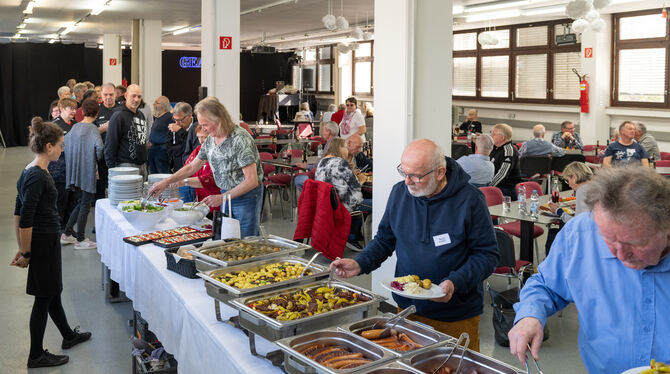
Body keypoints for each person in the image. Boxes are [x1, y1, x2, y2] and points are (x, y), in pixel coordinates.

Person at [331, 139, 498, 351]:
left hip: (455, 313)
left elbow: (487, 255)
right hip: (408, 308)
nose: (408, 181)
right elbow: (385, 239)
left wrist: (455, 282)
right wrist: (360, 263)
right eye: (404, 172)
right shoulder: (400, 193)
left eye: (416, 176)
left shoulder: (470, 200)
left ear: (439, 173)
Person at [508, 167, 670, 374]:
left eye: (634, 243)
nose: (620, 255)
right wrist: (530, 315)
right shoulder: (581, 233)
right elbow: (547, 285)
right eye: (608, 240)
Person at [13, 117, 91, 369]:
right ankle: (36, 355)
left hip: (44, 241)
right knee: (44, 297)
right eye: (60, 145)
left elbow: (18, 210)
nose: (62, 149)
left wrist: (22, 247)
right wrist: (25, 251)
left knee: (52, 291)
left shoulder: (31, 170)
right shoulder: (38, 175)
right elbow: (25, 216)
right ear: (48, 146)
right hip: (43, 242)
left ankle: (68, 335)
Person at [149, 97, 264, 237]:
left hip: (246, 197)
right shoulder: (211, 139)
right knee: (229, 238)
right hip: (226, 194)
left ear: (218, 119)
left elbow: (252, 181)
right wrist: (166, 182)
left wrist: (222, 197)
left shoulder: (240, 139)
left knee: (246, 238)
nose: (202, 128)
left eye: (205, 124)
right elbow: (192, 167)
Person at [61, 99, 103, 249]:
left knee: (80, 203)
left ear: (82, 112)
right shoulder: (92, 129)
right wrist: (94, 159)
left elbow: (65, 144)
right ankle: (80, 239)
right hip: (87, 171)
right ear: (97, 112)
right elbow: (99, 148)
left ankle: (66, 233)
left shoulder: (75, 127)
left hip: (74, 172)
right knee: (85, 204)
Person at [314, 138, 369, 251]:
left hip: (327, 203)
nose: (347, 149)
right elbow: (356, 187)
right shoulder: (341, 162)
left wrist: (351, 172)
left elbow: (334, 179)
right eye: (345, 147)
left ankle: (353, 234)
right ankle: (352, 237)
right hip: (343, 204)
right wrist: (362, 179)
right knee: (375, 205)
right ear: (339, 148)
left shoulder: (321, 162)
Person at [543, 161, 594, 255]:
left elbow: (577, 224)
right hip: (600, 236)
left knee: (553, 234)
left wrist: (559, 211)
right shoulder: (596, 186)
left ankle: (552, 266)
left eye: (567, 180)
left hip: (585, 238)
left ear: (574, 177)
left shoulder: (582, 191)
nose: (569, 184)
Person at [104, 84, 149, 179]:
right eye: (133, 96)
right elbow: (110, 144)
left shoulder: (141, 114)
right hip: (125, 166)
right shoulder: (118, 116)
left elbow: (142, 140)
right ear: (126, 96)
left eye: (139, 96)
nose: (136, 99)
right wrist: (112, 170)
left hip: (142, 165)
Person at [175, 124, 221, 212]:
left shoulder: (218, 152)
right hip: (201, 201)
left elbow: (211, 179)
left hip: (216, 200)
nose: (201, 141)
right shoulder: (198, 150)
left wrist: (183, 181)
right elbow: (187, 168)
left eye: (204, 137)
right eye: (198, 137)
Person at [51, 98, 78, 229]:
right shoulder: (54, 126)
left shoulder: (75, 124)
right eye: (70, 108)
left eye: (75, 108)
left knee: (72, 200)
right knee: (60, 199)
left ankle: (68, 229)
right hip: (59, 169)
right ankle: (59, 228)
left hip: (73, 168)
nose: (73, 111)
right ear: (61, 108)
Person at [295, 121, 339, 192]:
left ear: (329, 132)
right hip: (335, 177)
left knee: (298, 179)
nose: (322, 133)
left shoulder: (330, 145)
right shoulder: (338, 141)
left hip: (328, 179)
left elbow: (322, 166)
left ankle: (315, 199)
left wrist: (306, 166)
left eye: (323, 130)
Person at [489, 123, 521, 199]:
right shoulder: (495, 148)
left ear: (502, 137)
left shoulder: (509, 151)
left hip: (507, 188)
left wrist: (488, 187)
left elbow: (502, 174)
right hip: (496, 185)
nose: (491, 136)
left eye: (494, 134)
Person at [147, 96, 172, 174]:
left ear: (163, 106)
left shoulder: (169, 117)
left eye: (156, 103)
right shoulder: (157, 117)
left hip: (162, 150)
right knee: (153, 172)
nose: (154, 104)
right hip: (153, 148)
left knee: (162, 173)